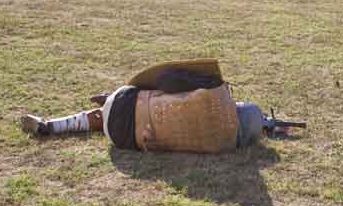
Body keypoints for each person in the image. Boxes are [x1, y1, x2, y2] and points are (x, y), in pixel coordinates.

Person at [19, 60, 304, 152]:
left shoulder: (211, 94)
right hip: (126, 140)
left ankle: (53, 126)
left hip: (124, 108)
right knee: (131, 116)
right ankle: (66, 122)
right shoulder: (222, 144)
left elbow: (166, 78)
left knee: (135, 104)